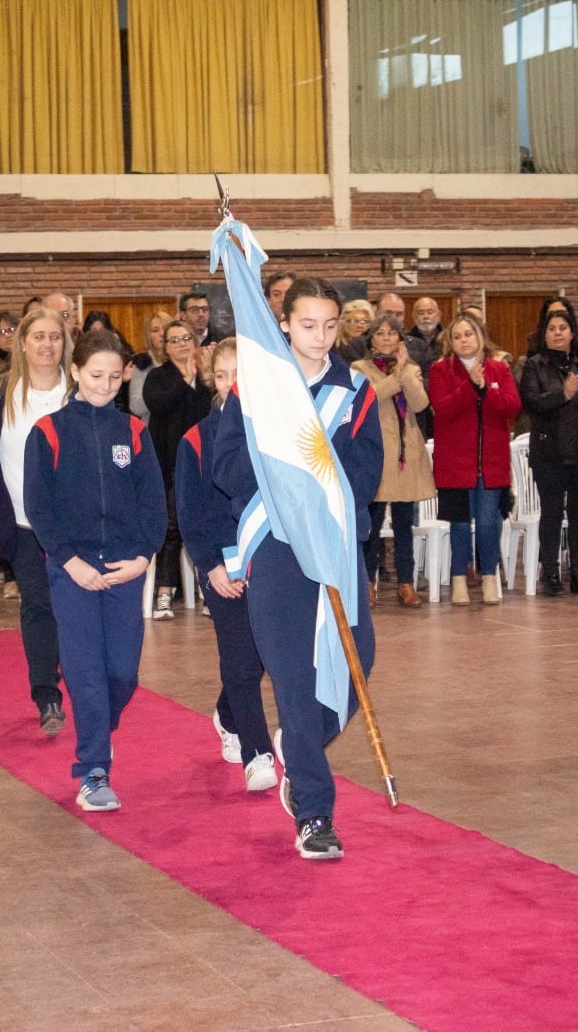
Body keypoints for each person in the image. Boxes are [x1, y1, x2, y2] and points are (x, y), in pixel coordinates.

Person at [212, 276, 382, 860]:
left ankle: (301, 741)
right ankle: (315, 812)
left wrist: (320, 488)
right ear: (284, 324)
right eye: (308, 325)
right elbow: (226, 466)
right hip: (275, 544)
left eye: (331, 326)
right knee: (292, 676)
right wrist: (281, 477)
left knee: (359, 658)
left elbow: (365, 475)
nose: (320, 337)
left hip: (333, 543)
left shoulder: (353, 389)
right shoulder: (255, 390)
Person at [23, 329, 166, 813]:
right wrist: (68, 560)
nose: (105, 385)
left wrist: (145, 555)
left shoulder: (134, 432)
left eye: (114, 376)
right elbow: (38, 507)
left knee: (121, 673)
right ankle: (94, 770)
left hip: (126, 568)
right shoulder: (47, 432)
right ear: (76, 372)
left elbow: (153, 502)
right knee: (86, 673)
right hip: (73, 571)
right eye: (95, 375)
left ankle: (98, 726)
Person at [0, 305, 70, 735]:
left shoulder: (78, 392)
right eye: (37, 336)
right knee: (38, 605)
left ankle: (82, 681)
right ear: (22, 343)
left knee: (73, 609)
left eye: (54, 337)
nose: (46, 344)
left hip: (74, 526)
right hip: (21, 524)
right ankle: (48, 696)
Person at [174, 338, 277, 791]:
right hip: (222, 565)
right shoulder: (195, 440)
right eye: (222, 375)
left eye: (240, 374)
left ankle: (228, 713)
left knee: (260, 659)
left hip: (269, 561)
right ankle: (258, 756)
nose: (232, 384)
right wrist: (211, 566)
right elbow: (189, 512)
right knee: (239, 658)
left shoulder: (276, 431)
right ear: (209, 378)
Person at [520, 304, 578, 595]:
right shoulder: (534, 365)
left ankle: (577, 572)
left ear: (573, 333)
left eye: (563, 328)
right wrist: (564, 394)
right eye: (552, 329)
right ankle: (550, 573)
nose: (558, 333)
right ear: (544, 334)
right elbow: (532, 403)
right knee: (551, 513)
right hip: (549, 450)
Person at [429, 311, 521, 605]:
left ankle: (490, 576)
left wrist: (485, 389)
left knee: (487, 522)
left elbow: (511, 407)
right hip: (455, 463)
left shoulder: (498, 369)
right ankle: (458, 578)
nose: (463, 340)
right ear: (450, 342)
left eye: (468, 334)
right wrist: (469, 386)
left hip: (490, 463)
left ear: (479, 336)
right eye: (457, 336)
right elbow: (443, 409)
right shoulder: (440, 370)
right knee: (458, 523)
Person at [352, 313, 433, 607]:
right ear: (371, 339)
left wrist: (403, 373)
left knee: (403, 524)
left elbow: (421, 404)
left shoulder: (410, 367)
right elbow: (368, 400)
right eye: (380, 333)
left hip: (404, 455)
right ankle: (367, 584)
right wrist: (396, 378)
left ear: (401, 339)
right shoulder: (359, 369)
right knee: (371, 526)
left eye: (392, 333)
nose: (386, 338)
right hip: (375, 455)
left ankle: (406, 583)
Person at [143, 319, 214, 619]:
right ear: (164, 346)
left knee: (206, 528)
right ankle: (163, 594)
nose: (183, 343)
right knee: (171, 531)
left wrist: (201, 378)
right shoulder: (158, 377)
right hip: (169, 465)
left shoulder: (208, 377)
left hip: (204, 465)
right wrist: (185, 379)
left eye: (187, 337)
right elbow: (158, 405)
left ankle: (209, 592)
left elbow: (209, 411)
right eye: (175, 339)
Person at [126, 310, 172, 425]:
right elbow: (135, 405)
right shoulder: (143, 363)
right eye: (155, 330)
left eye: (166, 327)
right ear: (149, 336)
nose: (162, 333)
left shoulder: (185, 360)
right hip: (152, 428)